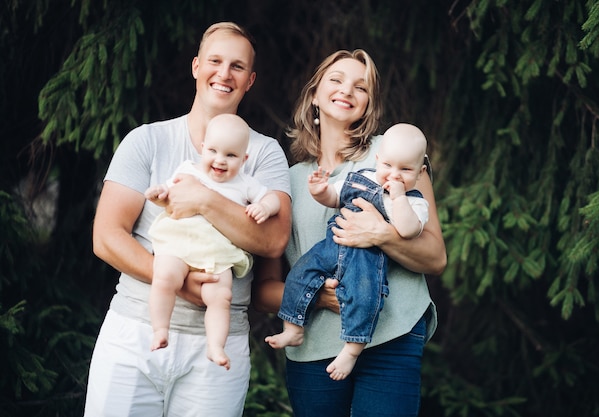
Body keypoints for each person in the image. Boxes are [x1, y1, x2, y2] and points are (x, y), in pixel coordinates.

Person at [86, 22, 291, 417]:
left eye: (237, 66)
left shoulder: (264, 155)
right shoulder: (148, 140)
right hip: (135, 330)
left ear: (250, 81)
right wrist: (178, 281)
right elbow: (107, 236)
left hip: (217, 347)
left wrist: (201, 198)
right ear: (196, 66)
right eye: (215, 61)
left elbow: (273, 240)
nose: (224, 73)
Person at [253, 50, 446, 417]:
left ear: (369, 104)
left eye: (362, 86)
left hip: (392, 335)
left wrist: (382, 235)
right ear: (314, 93)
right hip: (313, 349)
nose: (347, 90)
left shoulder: (394, 153)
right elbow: (263, 290)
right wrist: (321, 298)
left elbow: (435, 257)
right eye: (336, 80)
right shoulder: (289, 180)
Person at [265, 123, 430, 381]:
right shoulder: (362, 177)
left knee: (365, 295)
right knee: (301, 272)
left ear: (420, 173)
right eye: (388, 166)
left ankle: (352, 350)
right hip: (333, 245)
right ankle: (292, 327)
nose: (394, 176)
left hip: (367, 259)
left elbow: (409, 230)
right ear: (378, 160)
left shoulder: (414, 201)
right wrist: (321, 191)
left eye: (405, 170)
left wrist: (398, 199)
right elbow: (335, 196)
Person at [146, 113, 280, 370]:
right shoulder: (187, 170)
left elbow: (271, 197)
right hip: (179, 243)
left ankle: (215, 345)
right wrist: (159, 193)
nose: (220, 160)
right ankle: (160, 329)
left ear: (244, 159)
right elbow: (169, 195)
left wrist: (265, 207)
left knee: (221, 298)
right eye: (213, 151)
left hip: (216, 253)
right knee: (164, 278)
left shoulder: (245, 183)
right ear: (202, 148)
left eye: (230, 155)